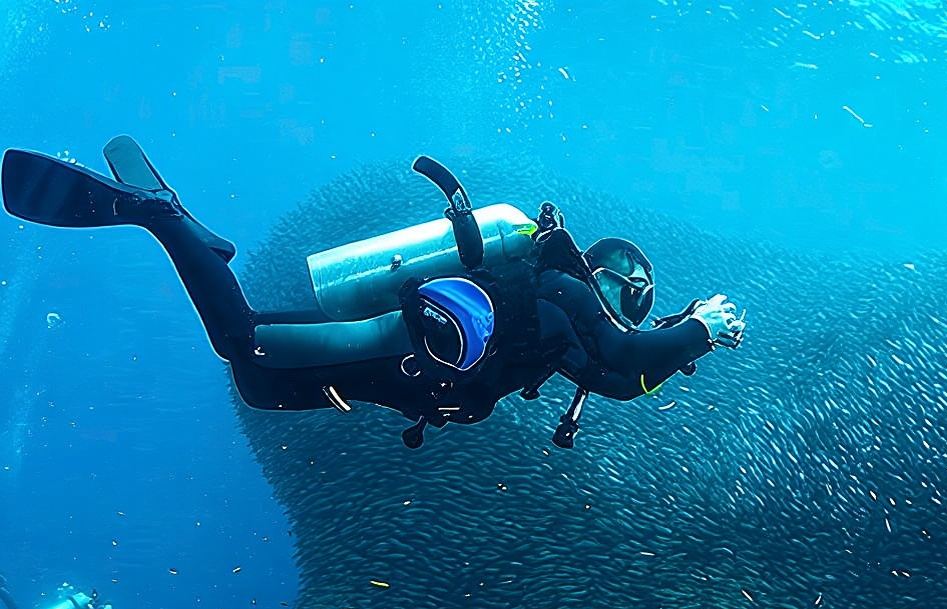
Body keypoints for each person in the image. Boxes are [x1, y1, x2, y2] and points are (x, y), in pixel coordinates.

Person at [1, 136, 746, 448]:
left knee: (258, 384)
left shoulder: (566, 328)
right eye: (637, 290)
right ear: (609, 272)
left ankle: (190, 232)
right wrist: (701, 328)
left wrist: (685, 333)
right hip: (391, 348)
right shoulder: (565, 290)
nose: (634, 303)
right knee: (243, 341)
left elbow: (621, 371)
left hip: (391, 377)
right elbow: (625, 362)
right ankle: (161, 219)